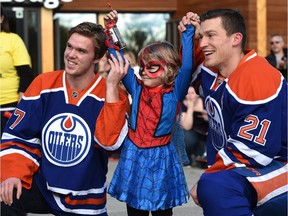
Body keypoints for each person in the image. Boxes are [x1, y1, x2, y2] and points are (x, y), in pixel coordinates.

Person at [0, 21, 130, 216]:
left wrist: (112, 85)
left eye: (81, 51)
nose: (71, 55)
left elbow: (110, 144)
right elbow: (19, 135)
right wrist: (12, 174)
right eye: (69, 46)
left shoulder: (111, 94)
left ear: (98, 57)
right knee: (5, 193)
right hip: (44, 187)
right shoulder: (44, 84)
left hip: (85, 196)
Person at [186, 9, 287, 216]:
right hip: (254, 164)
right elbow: (193, 68)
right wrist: (188, 33)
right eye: (201, 36)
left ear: (235, 39)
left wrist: (210, 175)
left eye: (211, 35)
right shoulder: (215, 70)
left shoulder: (257, 76)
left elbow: (253, 150)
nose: (203, 43)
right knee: (216, 184)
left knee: (217, 187)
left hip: (278, 161)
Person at [103, 10, 198, 216]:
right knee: (135, 210)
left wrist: (188, 32)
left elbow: (188, 65)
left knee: (162, 212)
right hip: (134, 153)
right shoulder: (136, 88)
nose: (144, 71)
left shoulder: (174, 92)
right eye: (143, 66)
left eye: (152, 67)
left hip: (161, 156)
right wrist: (111, 29)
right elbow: (119, 61)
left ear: (169, 70)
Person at [0, 6, 34, 135]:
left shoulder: (13, 40)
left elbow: (26, 73)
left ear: (1, 18)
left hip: (8, 105)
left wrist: (21, 103)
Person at [181, 86, 208, 168]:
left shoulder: (205, 102)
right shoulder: (183, 105)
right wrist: (190, 108)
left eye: (192, 93)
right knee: (187, 137)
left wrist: (207, 117)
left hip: (206, 134)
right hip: (192, 134)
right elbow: (186, 126)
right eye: (188, 94)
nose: (190, 96)